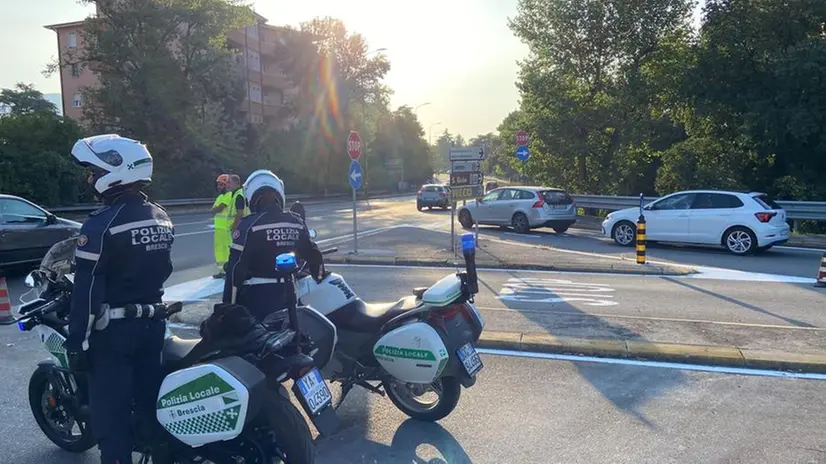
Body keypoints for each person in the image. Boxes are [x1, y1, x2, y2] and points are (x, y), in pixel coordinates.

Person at [64, 134, 174, 464]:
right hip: (154, 326)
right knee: (149, 409)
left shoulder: (101, 224)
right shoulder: (160, 215)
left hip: (114, 335)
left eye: (94, 172)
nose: (89, 178)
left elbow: (86, 294)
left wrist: (76, 343)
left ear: (116, 170)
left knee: (110, 420)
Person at [222, 169, 323, 322]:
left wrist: (226, 309)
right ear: (279, 194)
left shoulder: (248, 225)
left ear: (251, 196)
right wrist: (318, 274)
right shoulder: (296, 221)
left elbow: (235, 271)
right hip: (290, 299)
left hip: (256, 302)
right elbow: (315, 258)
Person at [211, 174, 232, 278]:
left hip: (226, 228)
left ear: (227, 185)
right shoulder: (220, 197)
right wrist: (215, 209)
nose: (219, 187)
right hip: (219, 228)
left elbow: (218, 209)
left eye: (221, 185)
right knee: (219, 250)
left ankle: (228, 270)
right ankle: (222, 270)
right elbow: (213, 210)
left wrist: (216, 209)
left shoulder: (229, 196)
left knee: (227, 250)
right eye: (218, 185)